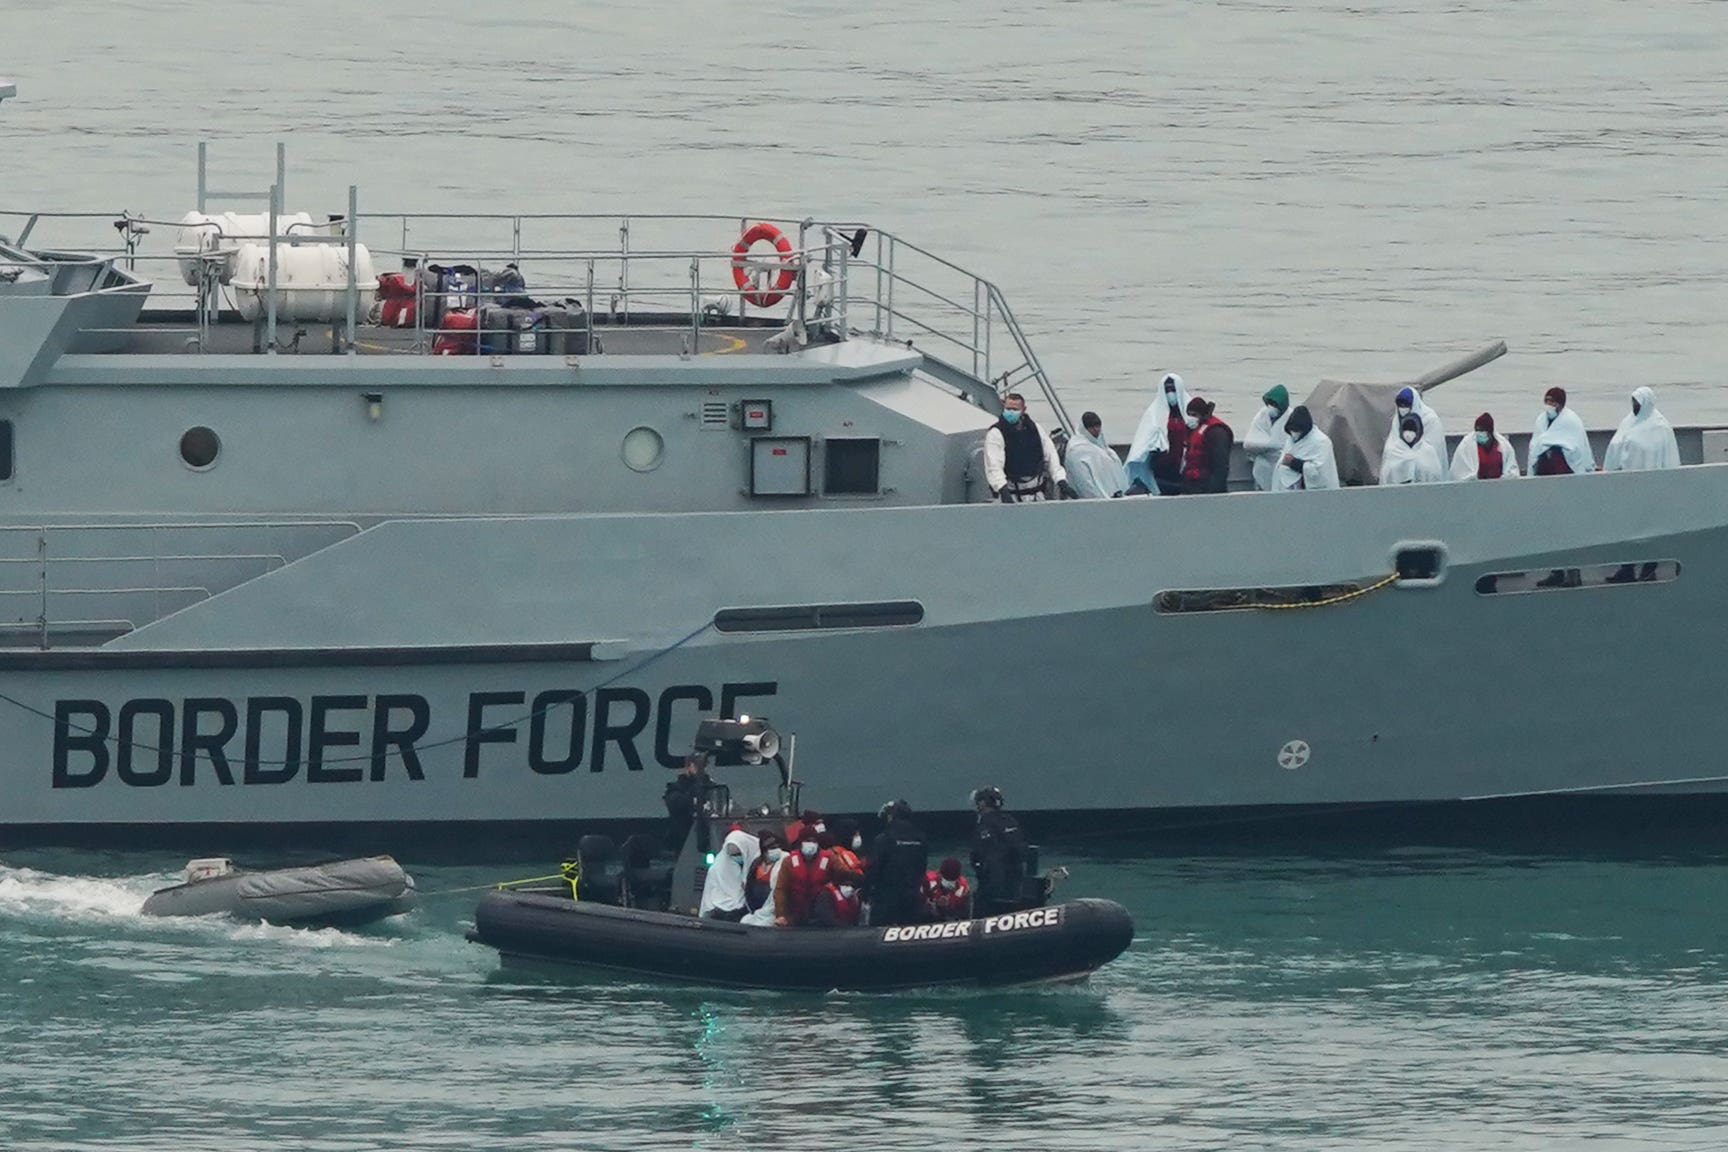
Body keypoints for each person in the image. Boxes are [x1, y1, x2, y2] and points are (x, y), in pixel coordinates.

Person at [983, 392, 1077, 502]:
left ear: (1023, 409)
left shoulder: (1035, 429)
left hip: (1037, 495)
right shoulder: (996, 433)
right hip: (1011, 495)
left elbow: (1051, 456)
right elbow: (994, 466)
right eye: (1008, 409)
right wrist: (1003, 491)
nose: (1011, 412)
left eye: (1015, 409)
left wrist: (1061, 480)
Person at [864, 799, 929, 927]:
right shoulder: (921, 839)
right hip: (912, 896)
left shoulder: (883, 839)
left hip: (887, 898)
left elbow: (874, 869)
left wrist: (866, 891)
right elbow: (922, 867)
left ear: (891, 816)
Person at [1125, 373, 1191, 495]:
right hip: (1164, 470)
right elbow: (1144, 440)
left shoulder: (1190, 410)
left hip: (1187, 466)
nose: (1170, 394)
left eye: (1173, 389)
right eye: (1167, 390)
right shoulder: (1154, 413)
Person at [969, 786, 1030, 917]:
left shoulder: (985, 826)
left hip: (993, 889)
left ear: (982, 803)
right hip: (1015, 885)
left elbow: (983, 856)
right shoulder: (1011, 821)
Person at [1603, 386, 1680, 472]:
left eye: (1637, 403)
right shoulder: (1628, 421)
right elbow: (1615, 444)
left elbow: (1668, 460)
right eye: (1633, 402)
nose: (1634, 405)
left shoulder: (1661, 427)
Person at [1529, 387, 1596, 475]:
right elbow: (1536, 442)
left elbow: (1574, 445)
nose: (1548, 404)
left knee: (1556, 453)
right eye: (1546, 401)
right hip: (1544, 460)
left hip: (1565, 462)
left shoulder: (1571, 419)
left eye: (1552, 402)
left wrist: (1545, 444)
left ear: (1559, 404)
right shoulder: (1541, 419)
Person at [1271, 405, 1340, 491]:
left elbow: (1321, 474)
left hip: (1314, 493)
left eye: (1296, 430)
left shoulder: (1321, 442)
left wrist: (1294, 463)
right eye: (1291, 430)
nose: (1294, 433)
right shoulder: (1290, 440)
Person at [698, 828, 759, 921]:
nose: (736, 857)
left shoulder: (757, 861)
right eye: (732, 855)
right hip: (720, 911)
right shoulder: (718, 867)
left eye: (738, 854)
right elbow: (710, 894)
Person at [1065, 410, 1130, 498]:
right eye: (1091, 427)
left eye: (1098, 426)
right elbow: (1084, 482)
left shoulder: (1104, 447)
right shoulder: (1076, 449)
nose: (1096, 430)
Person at [1179, 396, 1235, 495]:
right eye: (1189, 415)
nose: (1191, 418)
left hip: (1205, 485)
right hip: (1191, 483)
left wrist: (1213, 492)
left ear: (1201, 414)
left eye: (1194, 415)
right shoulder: (1195, 428)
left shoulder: (1216, 431)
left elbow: (1220, 467)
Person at [1241, 385, 1292, 491]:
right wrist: (1270, 445)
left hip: (1282, 467)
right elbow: (1249, 442)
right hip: (1262, 464)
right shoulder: (1262, 415)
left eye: (1274, 404)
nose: (1271, 407)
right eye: (1270, 403)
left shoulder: (1291, 417)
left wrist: (1270, 445)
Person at [1384, 386, 1445, 473]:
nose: (1403, 408)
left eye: (1406, 405)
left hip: (1424, 460)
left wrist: (1412, 454)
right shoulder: (1397, 419)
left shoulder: (1430, 419)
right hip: (1400, 458)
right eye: (1400, 405)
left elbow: (1435, 449)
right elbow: (1392, 441)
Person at [661, 753, 713, 852]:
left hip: (708, 835)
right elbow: (675, 803)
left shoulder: (712, 787)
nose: (701, 769)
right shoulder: (675, 788)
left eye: (704, 766)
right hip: (683, 838)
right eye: (696, 766)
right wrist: (694, 800)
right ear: (689, 766)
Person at [1379, 412, 1445, 484]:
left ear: (1419, 431)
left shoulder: (1428, 451)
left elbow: (1435, 476)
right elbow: (1385, 477)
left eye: (1412, 429)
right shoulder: (1392, 452)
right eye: (1405, 429)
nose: (1408, 433)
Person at [1450, 412, 1519, 480]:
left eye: (1481, 430)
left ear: (1490, 432)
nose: (1479, 433)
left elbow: (1512, 471)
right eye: (1477, 430)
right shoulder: (1466, 445)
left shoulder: (1504, 446)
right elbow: (1458, 473)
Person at [741, 833, 788, 927]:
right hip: (758, 908)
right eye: (771, 848)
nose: (775, 850)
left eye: (777, 847)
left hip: (773, 909)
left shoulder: (785, 859)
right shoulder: (756, 862)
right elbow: (749, 885)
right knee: (745, 921)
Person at [922, 857, 973, 922]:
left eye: (953, 880)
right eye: (946, 879)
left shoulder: (963, 889)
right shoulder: (927, 882)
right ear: (939, 874)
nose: (950, 883)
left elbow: (964, 915)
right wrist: (935, 904)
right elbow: (918, 906)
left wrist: (947, 907)